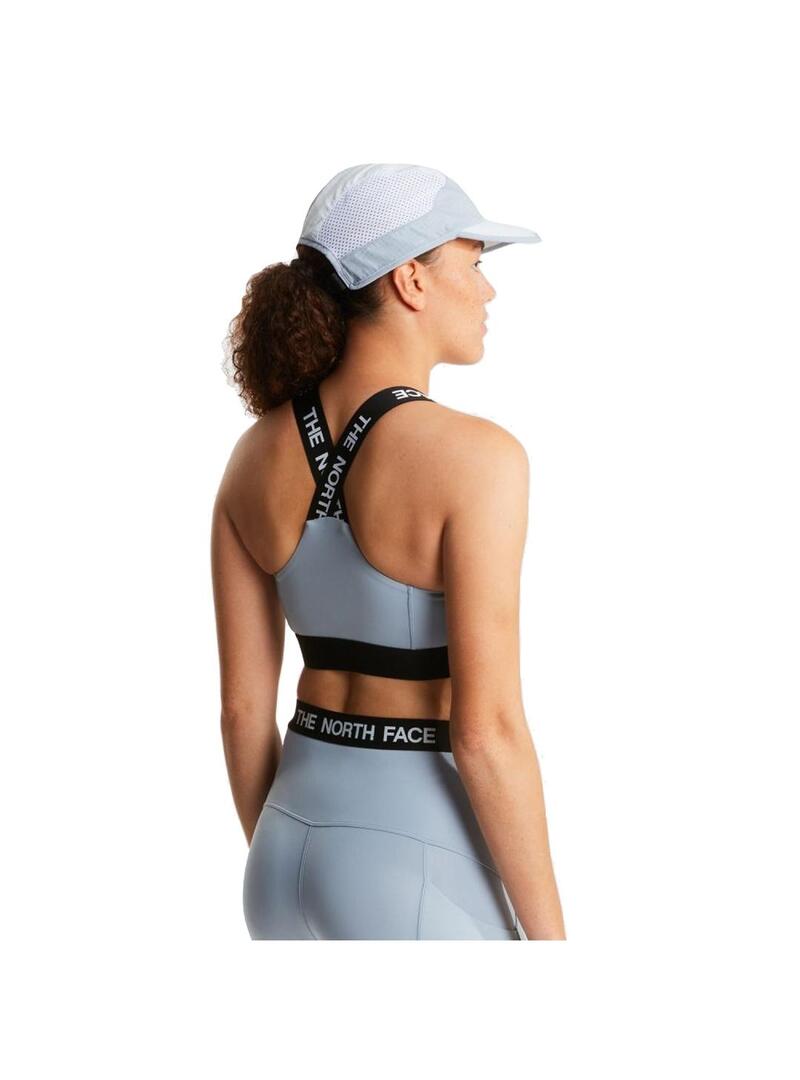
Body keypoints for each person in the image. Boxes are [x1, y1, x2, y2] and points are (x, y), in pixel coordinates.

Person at [211, 163, 566, 940]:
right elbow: (487, 733)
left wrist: (297, 855)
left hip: (278, 856)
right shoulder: (477, 459)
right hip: (411, 863)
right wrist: (555, 949)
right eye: (474, 263)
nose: (488, 291)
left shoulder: (251, 457)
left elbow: (243, 712)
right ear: (411, 279)